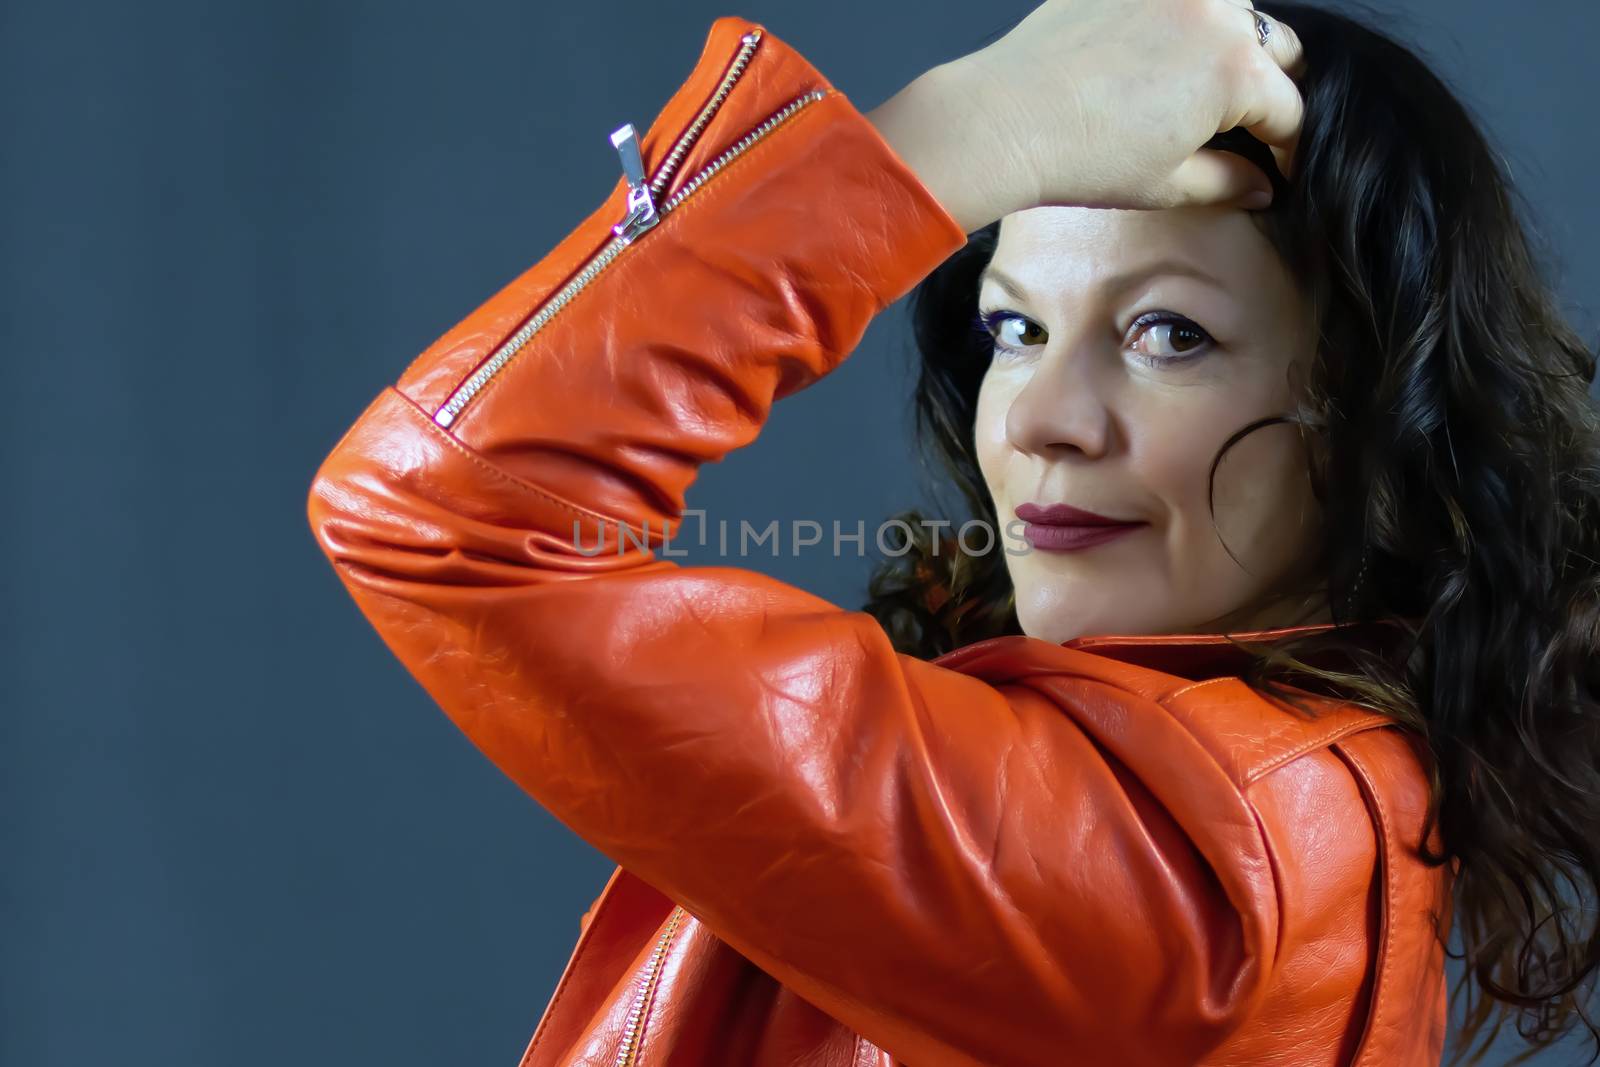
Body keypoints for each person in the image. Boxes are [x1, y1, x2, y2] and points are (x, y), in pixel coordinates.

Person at [305, 0, 1600, 1064]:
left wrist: (959, 131)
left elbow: (449, 514)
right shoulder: (1263, 798)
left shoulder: (1191, 869)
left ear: (1380, 406)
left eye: (1171, 335)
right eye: (1015, 329)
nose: (1041, 417)